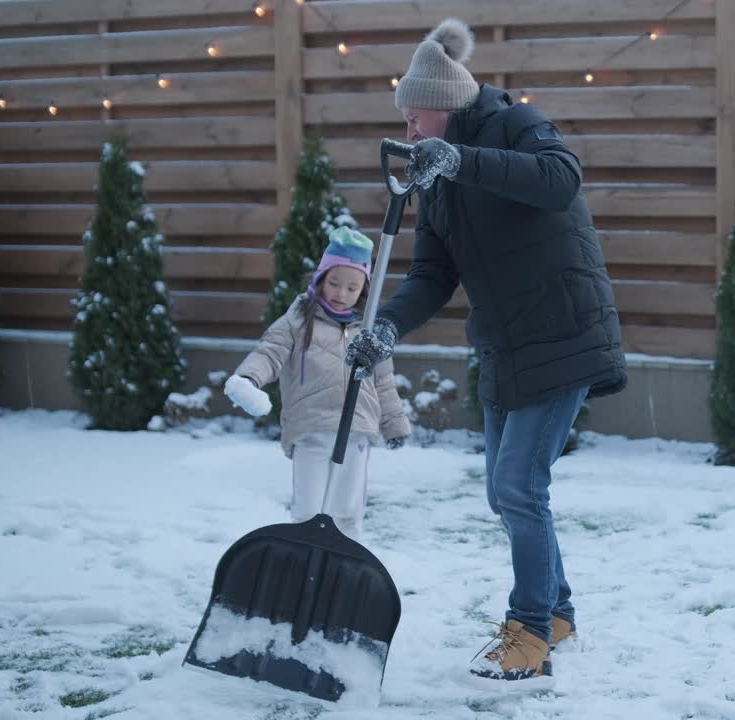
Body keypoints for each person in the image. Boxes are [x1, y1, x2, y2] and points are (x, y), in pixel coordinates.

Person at [344, 17, 627, 686]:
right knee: (508, 496)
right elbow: (431, 274)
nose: (409, 129)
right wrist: (387, 327)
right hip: (505, 343)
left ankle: (529, 634)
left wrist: (460, 160)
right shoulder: (435, 179)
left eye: (415, 116)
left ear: (444, 104)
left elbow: (560, 179)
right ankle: (556, 612)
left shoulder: (516, 123)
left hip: (562, 333)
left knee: (519, 487)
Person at [224, 227, 411, 542]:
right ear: (321, 277)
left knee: (348, 511)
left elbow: (383, 381)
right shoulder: (297, 321)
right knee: (308, 511)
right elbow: (269, 352)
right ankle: (303, 562)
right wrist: (248, 379)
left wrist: (394, 424)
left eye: (352, 287)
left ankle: (345, 565)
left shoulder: (370, 332)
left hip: (356, 431)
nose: (341, 293)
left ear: (363, 290)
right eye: (334, 283)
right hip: (311, 429)